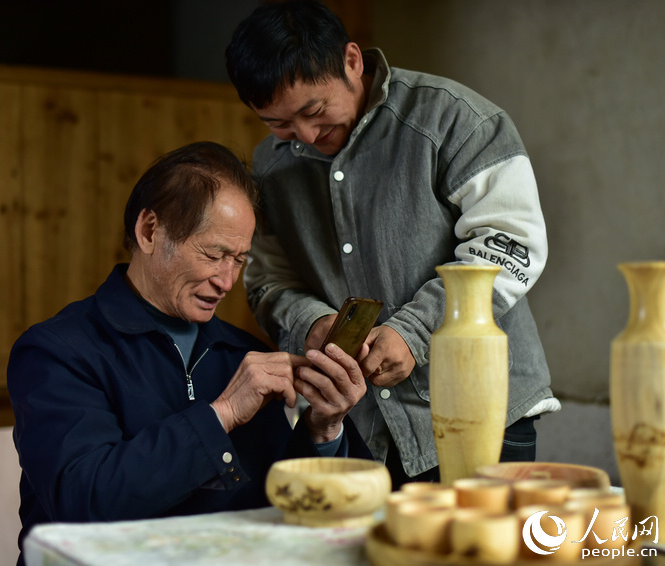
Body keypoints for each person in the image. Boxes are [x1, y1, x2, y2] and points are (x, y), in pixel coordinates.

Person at [225, 0, 560, 488]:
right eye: (277, 123)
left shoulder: (454, 120)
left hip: (483, 413)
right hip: (360, 431)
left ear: (352, 61)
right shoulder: (271, 164)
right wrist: (311, 324)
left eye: (314, 111)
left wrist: (414, 333)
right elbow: (267, 277)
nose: (303, 135)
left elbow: (510, 244)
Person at [7, 141, 372, 565]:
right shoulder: (56, 352)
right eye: (214, 255)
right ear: (149, 231)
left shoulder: (245, 353)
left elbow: (286, 507)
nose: (227, 280)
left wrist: (324, 429)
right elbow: (84, 502)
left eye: (239, 260)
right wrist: (223, 413)